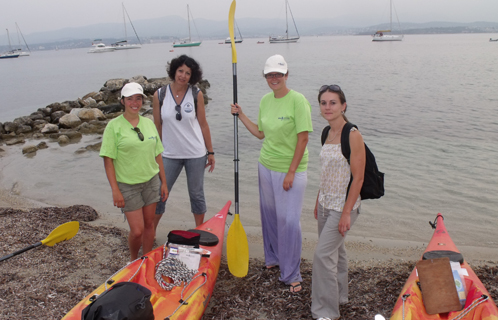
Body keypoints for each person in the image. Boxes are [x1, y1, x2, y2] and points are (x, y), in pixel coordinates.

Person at [230, 54, 313, 293]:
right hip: (265, 164)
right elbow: (260, 134)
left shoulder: (298, 101)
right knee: (270, 215)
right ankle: (274, 258)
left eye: (278, 74)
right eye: (270, 75)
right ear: (265, 77)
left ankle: (292, 273)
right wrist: (241, 114)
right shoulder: (266, 100)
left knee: (289, 222)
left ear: (287, 74)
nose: (274, 78)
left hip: (290, 170)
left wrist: (291, 172)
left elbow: (303, 138)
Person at [311, 85, 366, 320]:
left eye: (333, 102)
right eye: (324, 102)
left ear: (343, 106)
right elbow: (326, 172)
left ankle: (326, 312)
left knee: (323, 256)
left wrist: (346, 213)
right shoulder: (326, 132)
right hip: (325, 203)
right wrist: (317, 200)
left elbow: (359, 177)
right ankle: (341, 295)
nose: (328, 107)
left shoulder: (352, 134)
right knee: (337, 251)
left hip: (344, 207)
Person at [100, 82, 168, 261]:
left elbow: (157, 154)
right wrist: (115, 190)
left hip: (152, 182)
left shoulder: (149, 123)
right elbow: (108, 160)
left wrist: (164, 183)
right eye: (130, 99)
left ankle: (145, 258)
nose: (134, 103)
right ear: (122, 101)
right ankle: (132, 259)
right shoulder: (113, 127)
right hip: (128, 185)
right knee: (137, 231)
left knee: (149, 225)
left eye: (138, 98)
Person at [152, 55, 215, 228]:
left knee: (196, 194)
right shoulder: (160, 95)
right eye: (180, 71)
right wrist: (155, 153)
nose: (183, 75)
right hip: (169, 154)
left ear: (192, 76)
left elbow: (203, 124)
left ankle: (199, 230)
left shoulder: (196, 94)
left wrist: (210, 152)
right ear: (174, 71)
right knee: (160, 193)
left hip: (195, 153)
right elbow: (157, 126)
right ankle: (150, 231)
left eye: (188, 73)